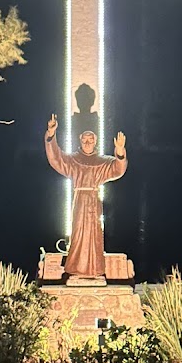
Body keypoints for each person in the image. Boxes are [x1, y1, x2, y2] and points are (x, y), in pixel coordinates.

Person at [44, 113, 127, 279]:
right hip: (79, 201)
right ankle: (75, 268)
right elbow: (56, 158)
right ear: (80, 140)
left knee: (95, 235)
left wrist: (119, 151)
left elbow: (118, 169)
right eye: (84, 140)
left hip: (94, 202)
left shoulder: (102, 162)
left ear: (95, 141)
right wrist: (51, 135)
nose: (87, 143)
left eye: (90, 140)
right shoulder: (73, 160)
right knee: (78, 233)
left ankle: (95, 270)